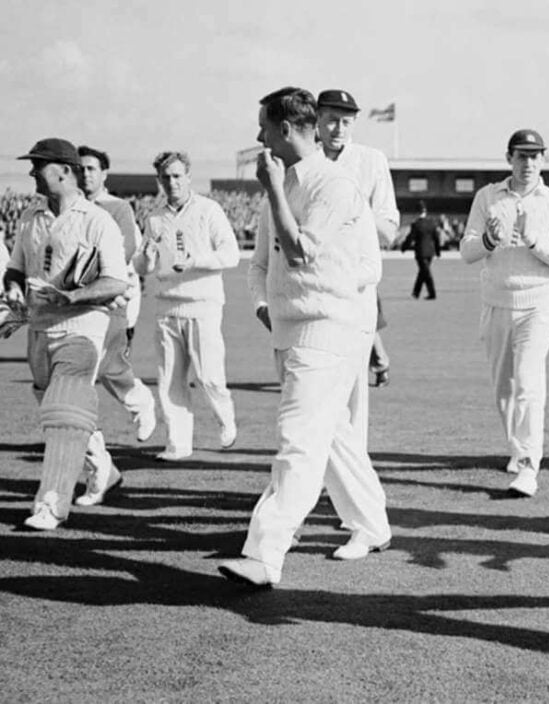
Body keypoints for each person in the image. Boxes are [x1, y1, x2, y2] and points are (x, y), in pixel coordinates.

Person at [219, 86, 389, 587]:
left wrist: (272, 189)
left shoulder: (332, 186)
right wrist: (263, 306)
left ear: (289, 129)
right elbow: (260, 264)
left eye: (264, 128)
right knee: (331, 436)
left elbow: (300, 253)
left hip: (329, 329)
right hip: (292, 328)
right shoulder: (284, 182)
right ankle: (372, 524)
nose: (258, 137)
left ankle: (265, 553)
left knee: (299, 441)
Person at [4, 138, 129, 529]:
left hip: (83, 326)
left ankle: (51, 505)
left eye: (38, 166)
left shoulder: (97, 220)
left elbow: (115, 281)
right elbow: (17, 269)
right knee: (58, 409)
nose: (31, 173)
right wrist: (13, 291)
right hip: (39, 328)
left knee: (62, 415)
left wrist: (70, 296)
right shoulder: (30, 216)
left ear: (63, 170)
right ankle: (103, 470)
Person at [460, 128, 549, 497]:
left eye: (535, 155)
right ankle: (517, 448)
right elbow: (467, 250)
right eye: (522, 156)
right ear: (509, 158)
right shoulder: (488, 196)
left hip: (538, 302)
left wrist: (535, 241)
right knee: (504, 389)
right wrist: (490, 241)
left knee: (528, 384)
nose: (529, 163)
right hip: (496, 300)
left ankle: (529, 465)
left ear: (544, 159)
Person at [134, 151, 239, 461]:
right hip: (166, 305)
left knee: (209, 376)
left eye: (178, 176)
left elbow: (230, 254)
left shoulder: (209, 210)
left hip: (202, 303)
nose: (172, 182)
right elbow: (140, 266)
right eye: (166, 177)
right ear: (160, 180)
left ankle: (226, 419)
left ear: (188, 177)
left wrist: (195, 261)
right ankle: (178, 444)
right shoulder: (154, 217)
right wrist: (148, 258)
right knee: (169, 380)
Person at [316, 89, 399, 388]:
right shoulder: (303, 160)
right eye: (331, 120)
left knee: (349, 377)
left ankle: (377, 361)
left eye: (346, 122)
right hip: (311, 277)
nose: (339, 129)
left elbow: (389, 228)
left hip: (355, 275)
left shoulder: (371, 160)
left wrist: (347, 218)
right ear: (316, 119)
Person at [78, 145, 158, 444]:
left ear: (104, 174)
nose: (85, 174)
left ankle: (139, 404)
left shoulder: (118, 208)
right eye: (80, 169)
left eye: (91, 169)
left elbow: (124, 254)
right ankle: (80, 435)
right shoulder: (68, 207)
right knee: (83, 370)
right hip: (77, 302)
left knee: (108, 369)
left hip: (112, 300)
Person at [402, 200, 442, 300]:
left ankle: (432, 294)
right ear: (426, 211)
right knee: (423, 272)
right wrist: (438, 251)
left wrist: (404, 247)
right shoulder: (432, 223)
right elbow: (436, 238)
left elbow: (410, 238)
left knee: (426, 273)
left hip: (420, 252)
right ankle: (416, 293)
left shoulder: (416, 224)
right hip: (430, 253)